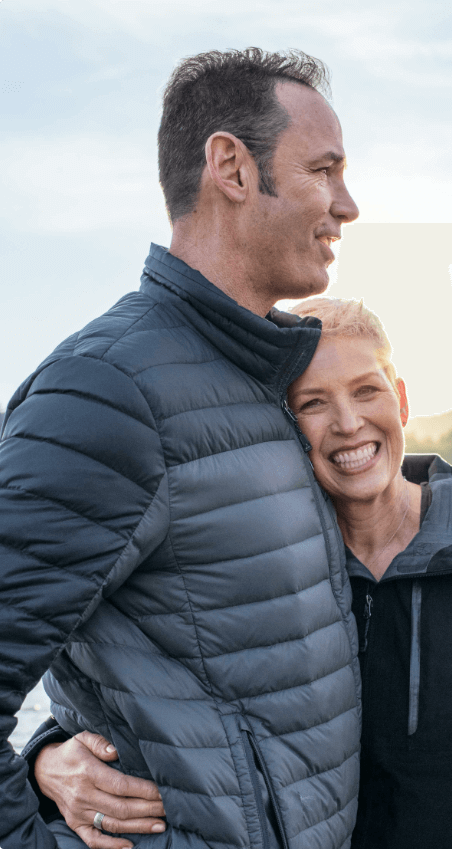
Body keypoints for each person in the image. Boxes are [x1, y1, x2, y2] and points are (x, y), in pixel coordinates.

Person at [38, 297, 452, 849]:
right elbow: (151, 702)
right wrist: (48, 758)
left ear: (402, 401)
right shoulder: (254, 571)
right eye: (313, 402)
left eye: (367, 390)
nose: (347, 422)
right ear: (282, 429)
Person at [0, 49, 361, 849]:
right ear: (231, 166)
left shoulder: (262, 380)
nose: (348, 204)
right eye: (324, 170)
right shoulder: (108, 391)